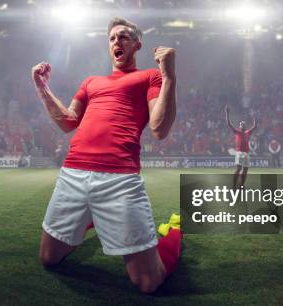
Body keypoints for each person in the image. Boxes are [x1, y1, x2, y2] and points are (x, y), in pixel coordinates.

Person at [31, 17, 180, 293]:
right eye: (112, 38)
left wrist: (170, 76)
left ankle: (173, 231)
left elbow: (159, 128)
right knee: (48, 258)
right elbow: (67, 121)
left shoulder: (149, 76)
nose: (116, 42)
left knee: (149, 282)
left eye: (123, 37)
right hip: (73, 174)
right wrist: (42, 86)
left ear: (137, 44)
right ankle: (93, 217)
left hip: (119, 179)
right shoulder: (91, 82)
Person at [225, 107, 257, 188]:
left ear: (245, 126)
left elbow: (255, 126)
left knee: (245, 170)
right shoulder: (237, 132)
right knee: (239, 169)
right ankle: (234, 185)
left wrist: (254, 117)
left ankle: (242, 185)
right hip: (239, 153)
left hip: (246, 153)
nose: (243, 125)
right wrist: (227, 113)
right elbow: (228, 123)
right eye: (241, 124)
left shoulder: (247, 133)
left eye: (244, 124)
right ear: (239, 126)